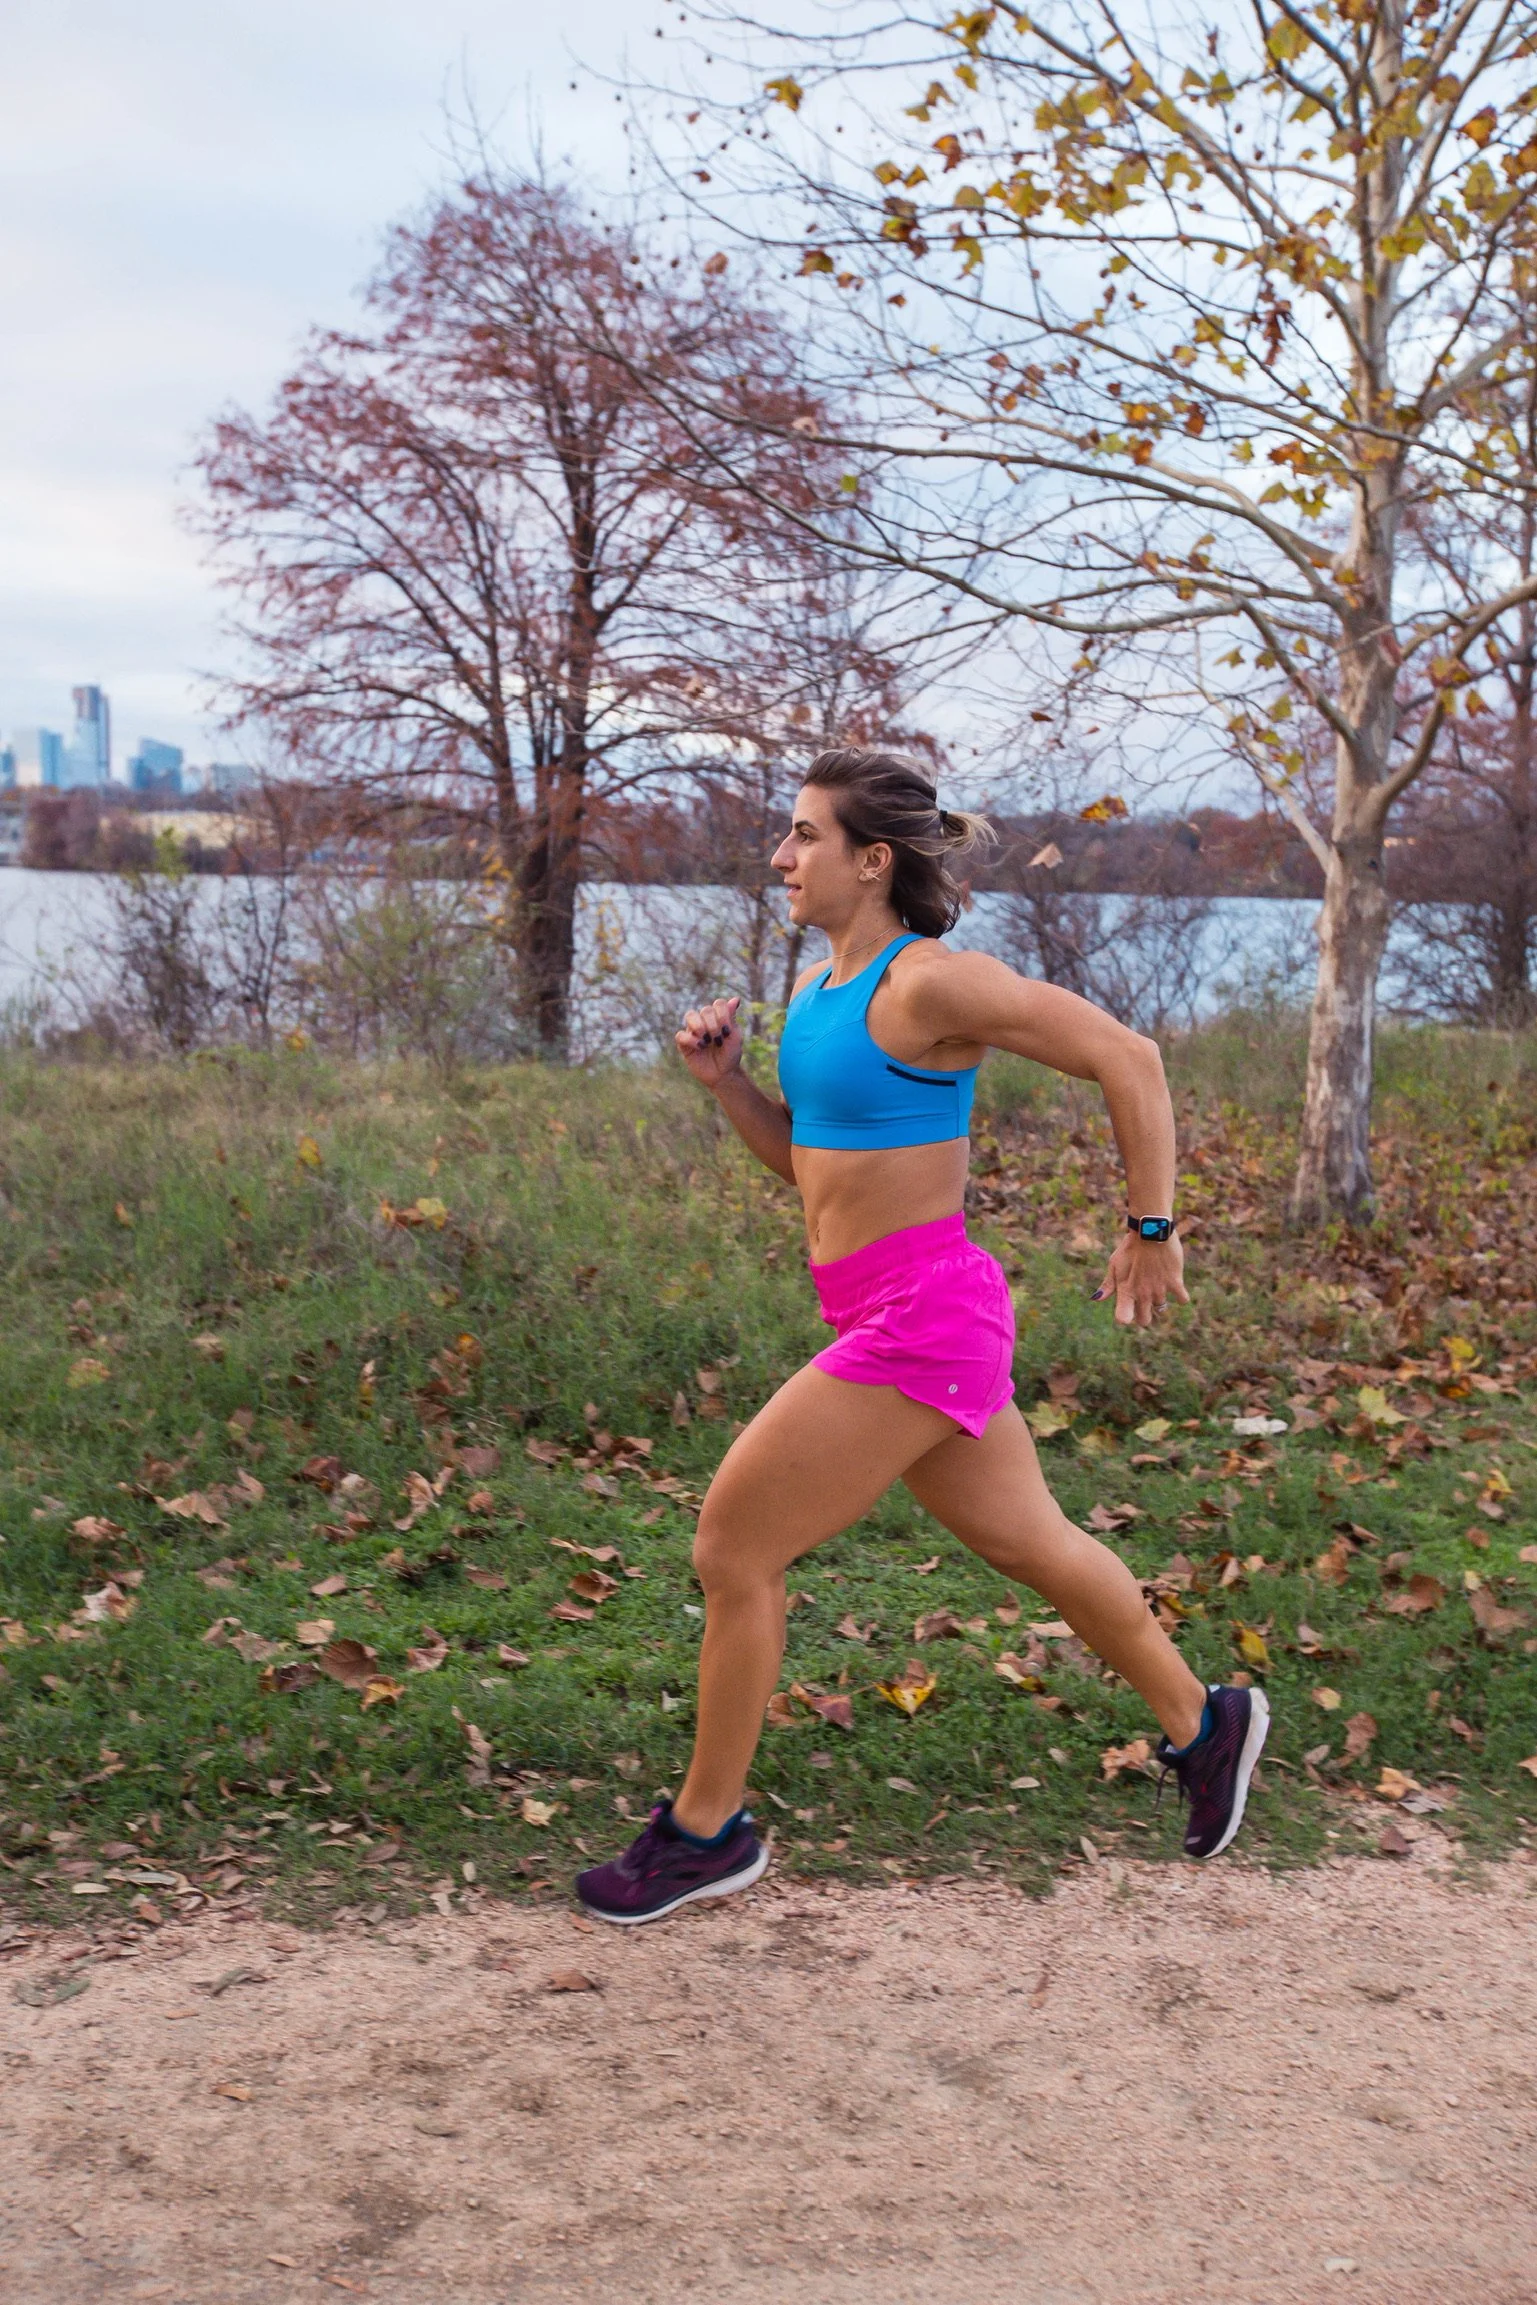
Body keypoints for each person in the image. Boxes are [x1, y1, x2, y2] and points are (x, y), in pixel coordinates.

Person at [576, 746, 1267, 1926]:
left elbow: (1129, 1056)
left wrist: (1152, 1224)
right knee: (1034, 1544)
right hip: (887, 1309)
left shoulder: (928, 985)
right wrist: (729, 1087)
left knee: (732, 1550)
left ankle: (705, 1832)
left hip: (920, 1319)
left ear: (872, 858)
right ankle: (1207, 1724)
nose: (781, 856)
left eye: (803, 836)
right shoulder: (814, 992)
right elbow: (813, 1165)